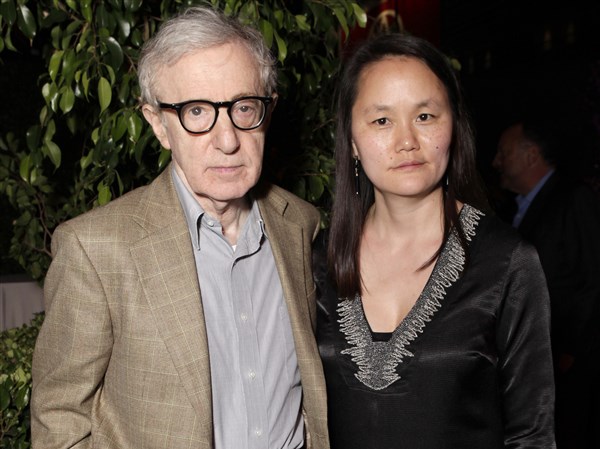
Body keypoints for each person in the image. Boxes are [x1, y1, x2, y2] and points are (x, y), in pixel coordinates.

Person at [31, 6, 329, 449]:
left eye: (244, 107)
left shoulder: (300, 225)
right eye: (197, 112)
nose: (227, 140)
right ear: (158, 124)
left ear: (268, 111)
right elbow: (59, 422)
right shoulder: (95, 249)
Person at [315, 33, 556, 448]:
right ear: (352, 141)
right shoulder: (317, 260)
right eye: (382, 121)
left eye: (425, 116)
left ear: (453, 127)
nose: (407, 141)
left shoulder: (507, 262)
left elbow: (532, 434)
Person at [494, 118, 600, 449]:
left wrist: (570, 351)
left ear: (531, 155)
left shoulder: (573, 198)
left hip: (567, 361)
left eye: (504, 152)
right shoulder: (511, 210)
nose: (496, 161)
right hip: (531, 358)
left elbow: (593, 277)